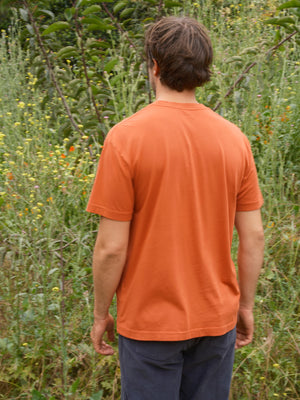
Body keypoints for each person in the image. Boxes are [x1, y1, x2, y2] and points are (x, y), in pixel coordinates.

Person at [86, 16, 265, 400]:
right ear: (203, 70)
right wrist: (245, 305)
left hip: (149, 325)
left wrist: (101, 314)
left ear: (153, 65)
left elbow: (111, 247)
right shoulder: (235, 141)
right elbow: (253, 235)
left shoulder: (125, 139)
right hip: (217, 320)